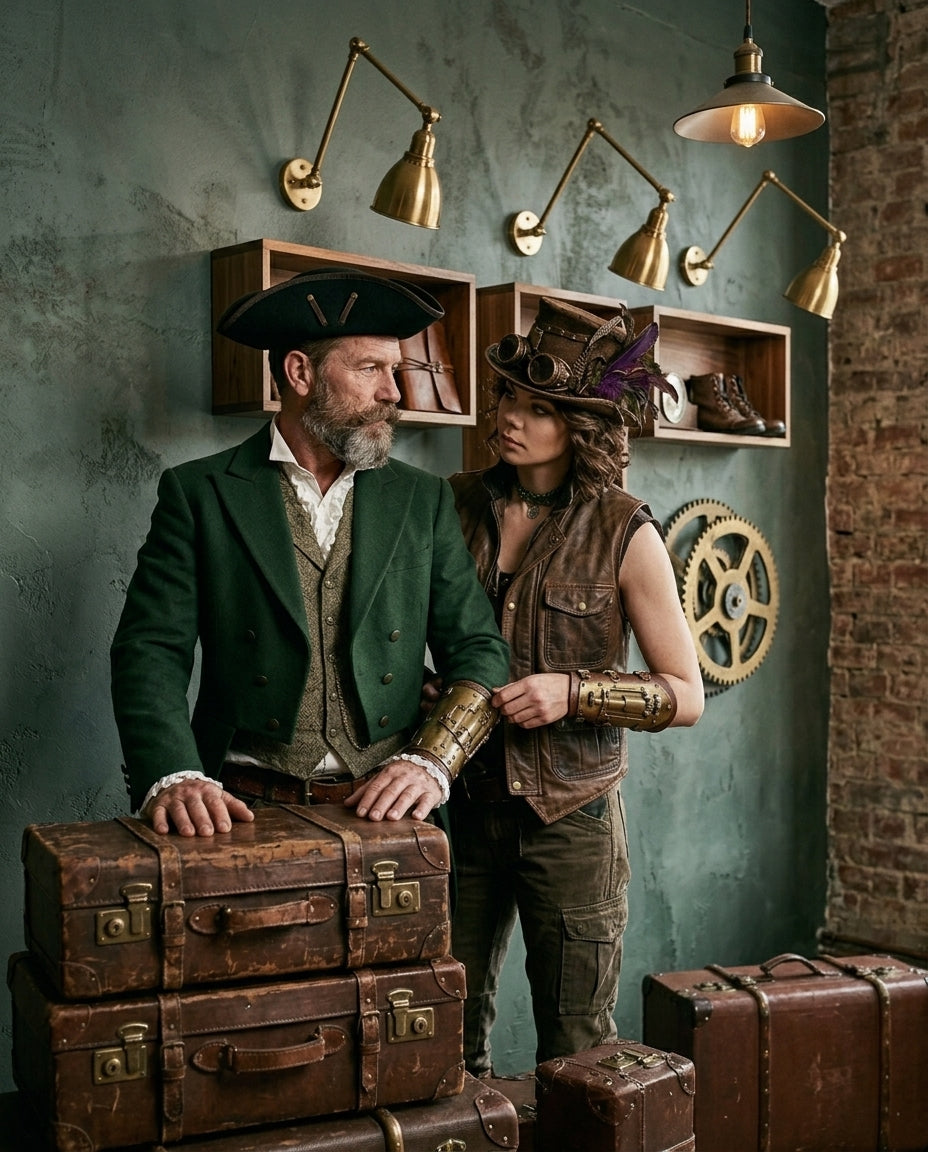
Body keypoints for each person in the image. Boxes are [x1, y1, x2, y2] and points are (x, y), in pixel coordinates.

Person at [111, 267, 510, 836]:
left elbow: (478, 647)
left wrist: (432, 762)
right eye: (370, 369)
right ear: (300, 372)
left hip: (388, 816)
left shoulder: (422, 497)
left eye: (393, 371)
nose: (392, 393)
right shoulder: (199, 492)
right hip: (237, 809)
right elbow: (150, 649)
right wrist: (173, 774)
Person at [434, 297, 704, 1075]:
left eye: (537, 406)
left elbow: (684, 695)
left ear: (580, 426)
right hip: (461, 808)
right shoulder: (454, 505)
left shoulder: (625, 528)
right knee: (441, 1036)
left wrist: (572, 692)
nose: (510, 417)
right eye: (509, 398)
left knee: (577, 1046)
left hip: (573, 821)